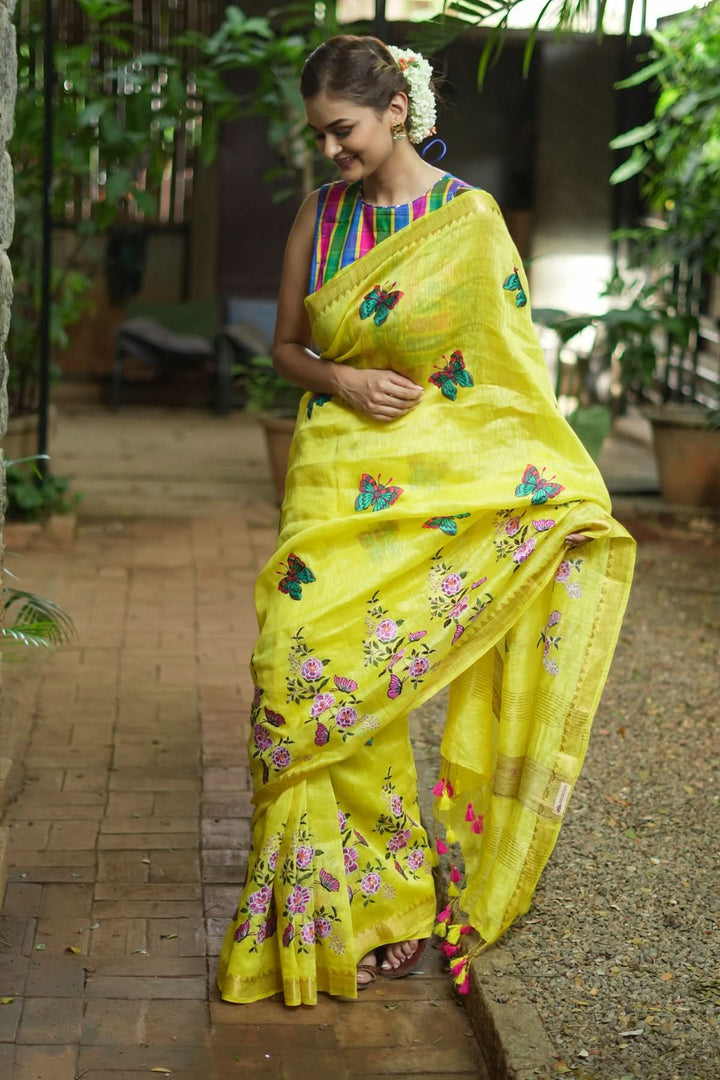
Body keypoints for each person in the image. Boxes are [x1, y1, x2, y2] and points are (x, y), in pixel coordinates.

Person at [217, 35, 635, 1007]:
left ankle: (388, 905)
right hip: (330, 488)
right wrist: (340, 376)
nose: (331, 152)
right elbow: (285, 347)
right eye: (320, 135)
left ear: (396, 110)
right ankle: (322, 902)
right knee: (294, 679)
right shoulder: (318, 221)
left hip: (430, 500)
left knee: (373, 698)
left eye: (344, 131)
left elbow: (508, 382)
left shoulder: (471, 224)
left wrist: (559, 494)